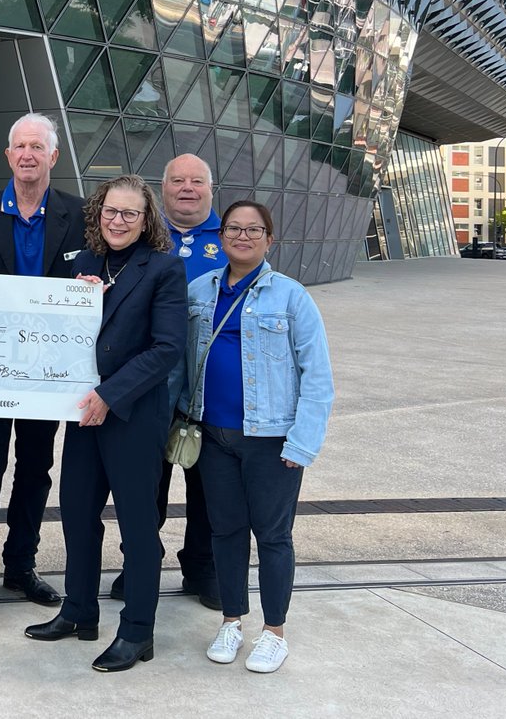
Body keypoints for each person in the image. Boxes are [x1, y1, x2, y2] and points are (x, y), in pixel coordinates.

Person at [26, 175, 185, 673]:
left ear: (146, 220)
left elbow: (166, 349)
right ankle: (79, 611)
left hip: (131, 415)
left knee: (138, 528)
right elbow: (56, 333)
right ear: (98, 214)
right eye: (110, 212)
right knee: (76, 512)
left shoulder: (164, 269)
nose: (117, 221)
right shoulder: (85, 263)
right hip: (83, 413)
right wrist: (77, 303)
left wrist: (110, 396)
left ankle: (138, 631)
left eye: (129, 214)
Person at [175, 200, 334, 674]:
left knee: (272, 536)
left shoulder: (291, 296)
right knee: (224, 531)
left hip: (271, 440)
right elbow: (182, 360)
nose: (242, 236)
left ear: (269, 238)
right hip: (213, 435)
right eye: (233, 229)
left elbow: (318, 376)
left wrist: (301, 444)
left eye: (253, 229)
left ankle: (274, 632)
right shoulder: (200, 290)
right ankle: (231, 620)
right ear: (220, 237)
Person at [0, 112, 85, 631]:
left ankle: (21, 566)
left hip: (48, 376)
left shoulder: (78, 212)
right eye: (19, 146)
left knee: (34, 471)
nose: (27, 154)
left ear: (53, 156)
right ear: (7, 156)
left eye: (37, 146)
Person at [111, 154, 227, 608]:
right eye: (177, 180)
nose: (186, 188)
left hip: (207, 384)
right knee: (145, 486)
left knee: (210, 486)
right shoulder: (143, 235)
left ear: (210, 189)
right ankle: (139, 564)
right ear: (162, 189)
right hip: (149, 384)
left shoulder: (230, 235)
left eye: (196, 181)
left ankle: (204, 567)